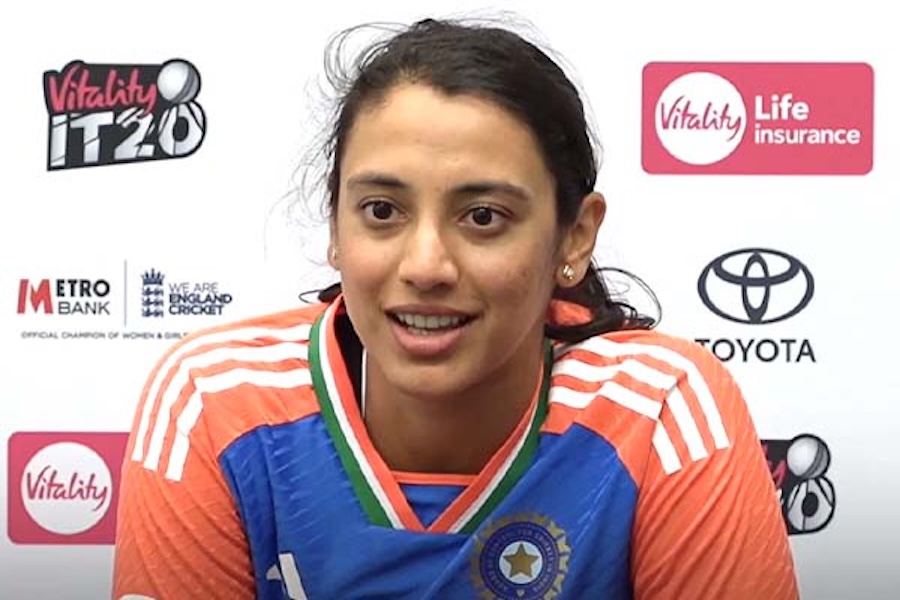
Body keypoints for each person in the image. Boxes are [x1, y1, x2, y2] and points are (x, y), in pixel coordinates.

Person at [112, 16, 798, 600]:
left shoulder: (660, 409)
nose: (425, 266)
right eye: (382, 211)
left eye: (483, 216)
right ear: (334, 227)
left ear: (574, 236)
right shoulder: (214, 401)